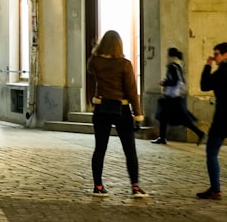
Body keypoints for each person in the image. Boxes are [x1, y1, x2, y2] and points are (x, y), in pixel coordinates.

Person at [87, 30, 147, 197]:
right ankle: (135, 187)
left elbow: (90, 68)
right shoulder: (124, 64)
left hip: (101, 108)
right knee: (129, 149)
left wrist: (96, 51)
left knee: (100, 148)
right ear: (119, 45)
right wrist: (138, 114)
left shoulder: (95, 61)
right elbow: (131, 91)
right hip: (121, 109)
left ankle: (98, 186)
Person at [152, 47, 204, 145]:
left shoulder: (171, 67)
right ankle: (199, 133)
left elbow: (173, 81)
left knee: (165, 117)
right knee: (177, 118)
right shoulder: (177, 66)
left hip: (171, 98)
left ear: (169, 56)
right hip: (176, 96)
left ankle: (162, 138)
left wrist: (164, 82)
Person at [197, 42, 227, 200]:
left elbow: (204, 85)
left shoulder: (222, 72)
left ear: (225, 54)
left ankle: (215, 189)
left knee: (211, 152)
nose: (214, 58)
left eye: (216, 54)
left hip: (222, 119)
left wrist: (207, 66)